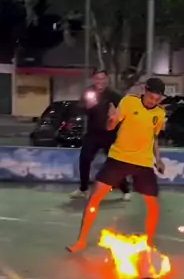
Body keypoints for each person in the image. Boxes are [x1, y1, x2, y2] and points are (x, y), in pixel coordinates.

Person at [67, 77, 166, 253]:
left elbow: (154, 138)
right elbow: (111, 127)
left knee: (153, 206)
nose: (153, 101)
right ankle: (81, 241)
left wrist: (158, 159)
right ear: (145, 91)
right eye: (151, 97)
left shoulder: (159, 114)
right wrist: (111, 119)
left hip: (143, 162)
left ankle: (150, 244)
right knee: (95, 198)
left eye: (157, 99)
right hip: (119, 158)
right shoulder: (128, 102)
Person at [70, 68, 130, 201]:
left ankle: (125, 190)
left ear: (107, 80)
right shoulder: (88, 93)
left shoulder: (114, 95)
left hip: (110, 135)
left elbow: (125, 112)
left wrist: (116, 114)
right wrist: (87, 107)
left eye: (102, 79)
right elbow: (78, 109)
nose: (100, 81)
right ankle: (83, 189)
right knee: (84, 159)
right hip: (92, 134)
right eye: (97, 79)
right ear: (93, 79)